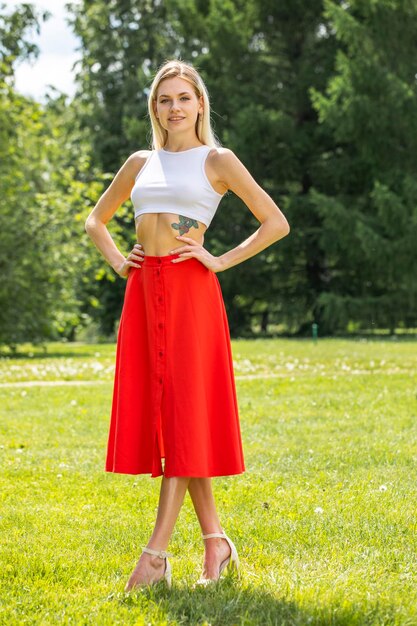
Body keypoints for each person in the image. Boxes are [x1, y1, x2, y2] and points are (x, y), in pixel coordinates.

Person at [85, 58, 290, 591]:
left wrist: (219, 260)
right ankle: (215, 543)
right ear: (154, 108)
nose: (174, 108)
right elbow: (95, 220)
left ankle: (155, 556)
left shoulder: (217, 160)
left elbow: (275, 222)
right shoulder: (139, 161)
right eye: (164, 99)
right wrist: (116, 260)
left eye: (183, 97)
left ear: (200, 103)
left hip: (190, 292)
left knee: (182, 416)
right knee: (175, 418)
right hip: (143, 292)